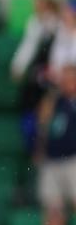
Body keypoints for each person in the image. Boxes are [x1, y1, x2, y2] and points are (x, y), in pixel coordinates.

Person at [13, 0, 60, 149]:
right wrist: (18, 66)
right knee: (29, 104)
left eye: (41, 5)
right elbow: (28, 46)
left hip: (53, 75)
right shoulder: (34, 23)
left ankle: (45, 143)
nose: (37, 9)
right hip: (37, 73)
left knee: (49, 109)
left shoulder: (58, 24)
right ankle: (32, 143)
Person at [36, 65, 76, 209]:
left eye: (69, 79)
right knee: (52, 207)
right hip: (52, 158)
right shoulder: (55, 101)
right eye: (63, 79)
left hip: (73, 158)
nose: (65, 83)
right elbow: (43, 123)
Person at [48, 0, 76, 85]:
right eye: (64, 11)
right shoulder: (60, 30)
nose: (64, 14)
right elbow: (55, 54)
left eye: (68, 11)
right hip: (59, 77)